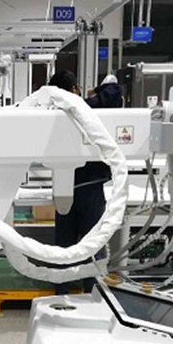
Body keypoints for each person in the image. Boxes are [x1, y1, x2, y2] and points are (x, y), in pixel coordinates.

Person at [47, 70, 123, 295]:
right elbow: (114, 92)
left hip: (63, 188)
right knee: (92, 246)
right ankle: (92, 297)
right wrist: (97, 90)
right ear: (74, 90)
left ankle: (61, 296)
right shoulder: (85, 108)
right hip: (90, 186)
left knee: (62, 250)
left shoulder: (51, 114)